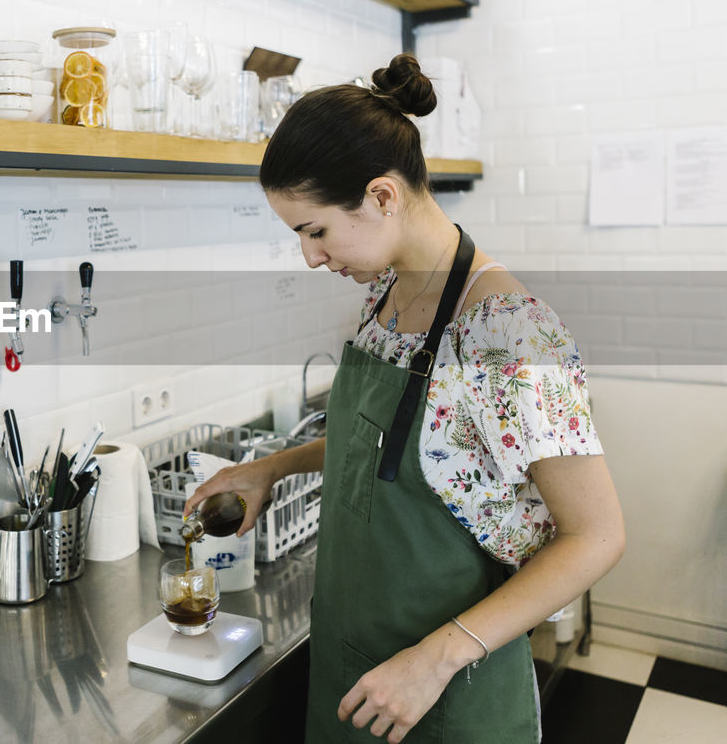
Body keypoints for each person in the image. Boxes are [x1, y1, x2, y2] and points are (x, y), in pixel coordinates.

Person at [184, 54, 625, 744]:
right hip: (356, 681)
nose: (308, 256)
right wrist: (273, 467)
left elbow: (597, 535)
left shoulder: (508, 330)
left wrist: (436, 656)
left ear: (384, 196)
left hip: (449, 691)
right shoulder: (383, 297)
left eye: (316, 229)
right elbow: (390, 441)